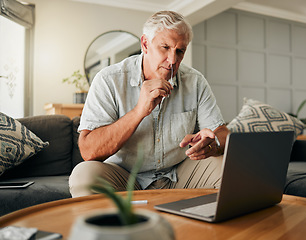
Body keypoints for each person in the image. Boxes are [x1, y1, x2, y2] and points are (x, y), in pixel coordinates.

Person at [69, 10, 229, 197]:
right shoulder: (108, 80)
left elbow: (222, 133)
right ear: (145, 44)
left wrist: (213, 143)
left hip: (179, 173)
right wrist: (139, 111)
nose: (172, 60)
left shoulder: (195, 81)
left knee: (230, 168)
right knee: (83, 176)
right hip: (125, 176)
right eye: (165, 47)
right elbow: (88, 151)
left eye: (180, 51)